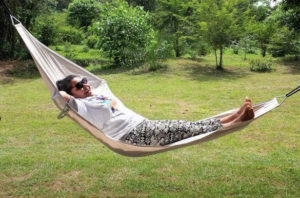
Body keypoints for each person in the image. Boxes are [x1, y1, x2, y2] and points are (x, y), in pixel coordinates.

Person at [56, 75, 254, 146]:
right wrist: (67, 92)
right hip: (132, 135)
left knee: (188, 125)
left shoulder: (96, 94)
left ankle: (235, 116)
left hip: (143, 124)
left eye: (83, 81)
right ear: (73, 93)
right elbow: (60, 96)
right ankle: (237, 121)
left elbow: (95, 84)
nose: (85, 86)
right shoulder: (80, 105)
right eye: (78, 86)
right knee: (187, 129)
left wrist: (82, 87)